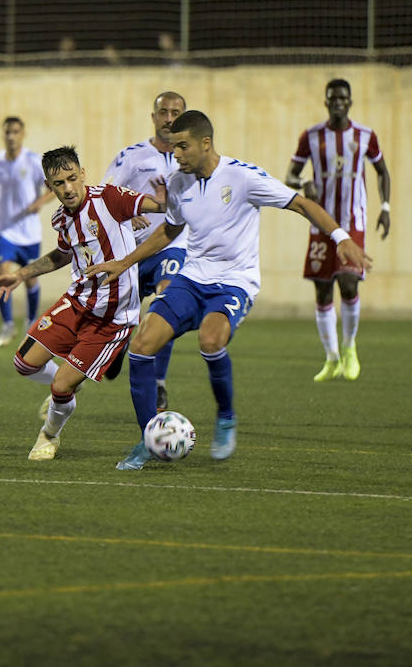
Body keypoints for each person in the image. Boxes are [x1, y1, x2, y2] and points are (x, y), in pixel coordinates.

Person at [87, 110, 370, 469]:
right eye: (174, 147)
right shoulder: (178, 182)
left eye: (183, 146)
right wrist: (125, 262)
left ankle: (225, 417)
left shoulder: (243, 177)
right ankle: (148, 438)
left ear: (205, 143)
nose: (176, 154)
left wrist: (341, 238)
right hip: (192, 278)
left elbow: (301, 203)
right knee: (142, 346)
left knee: (210, 340)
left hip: (234, 282)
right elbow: (170, 230)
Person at [0, 146, 166, 462]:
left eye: (72, 178)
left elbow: (158, 206)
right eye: (59, 183)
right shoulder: (62, 219)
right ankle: (73, 378)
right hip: (77, 302)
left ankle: (49, 435)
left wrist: (164, 200)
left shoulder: (109, 198)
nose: (68, 188)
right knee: (24, 364)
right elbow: (62, 255)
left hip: (113, 318)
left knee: (60, 387)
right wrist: (21, 274)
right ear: (49, 186)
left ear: (82, 174)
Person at [285, 79, 391, 382]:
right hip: (320, 222)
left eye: (343, 98)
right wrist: (304, 183)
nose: (338, 103)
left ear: (350, 102)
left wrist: (386, 208)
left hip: (353, 222)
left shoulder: (365, 135)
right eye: (333, 98)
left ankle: (349, 347)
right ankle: (331, 358)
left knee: (348, 284)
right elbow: (290, 174)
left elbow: (382, 172)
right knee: (322, 289)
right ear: (326, 102)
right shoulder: (311, 136)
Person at [104, 91, 189, 411]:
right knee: (120, 317)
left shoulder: (191, 160)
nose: (169, 119)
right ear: (153, 117)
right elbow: (106, 195)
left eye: (175, 113)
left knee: (167, 303)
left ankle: (159, 382)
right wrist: (127, 212)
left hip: (173, 246)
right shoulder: (131, 156)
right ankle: (120, 344)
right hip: (133, 252)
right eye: (163, 112)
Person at [0, 117, 54, 347]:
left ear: (23, 134)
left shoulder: (34, 161)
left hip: (28, 232)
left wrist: (40, 202)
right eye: (8, 132)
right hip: (2, 229)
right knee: (3, 273)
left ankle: (31, 322)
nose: (11, 136)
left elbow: (52, 188)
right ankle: (7, 324)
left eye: (15, 132)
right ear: (2, 135)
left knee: (30, 279)